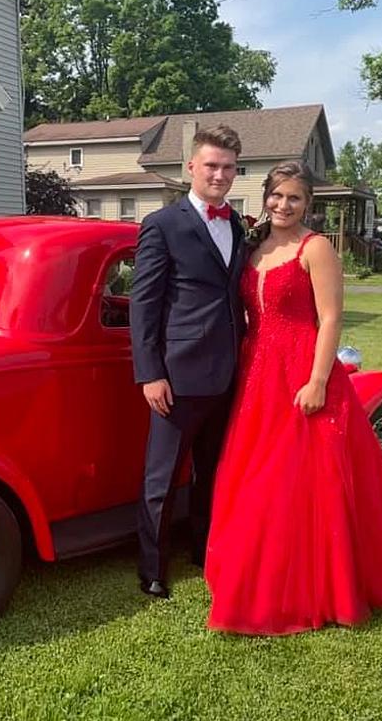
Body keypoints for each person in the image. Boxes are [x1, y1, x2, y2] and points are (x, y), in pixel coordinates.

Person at [205, 160, 382, 633]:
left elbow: (331, 318)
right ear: (265, 198)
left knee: (306, 477)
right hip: (257, 371)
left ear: (308, 204)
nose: (283, 205)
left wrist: (316, 381)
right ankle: (252, 567)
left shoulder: (316, 250)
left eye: (294, 198)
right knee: (258, 471)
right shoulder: (253, 246)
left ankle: (318, 582)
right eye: (276, 196)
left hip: (302, 366)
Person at [129, 125, 248, 599]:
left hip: (228, 372)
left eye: (228, 167)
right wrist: (150, 372)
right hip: (176, 375)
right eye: (211, 166)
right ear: (191, 169)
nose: (219, 175)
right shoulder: (163, 224)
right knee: (161, 476)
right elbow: (144, 302)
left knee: (212, 470)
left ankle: (203, 548)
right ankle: (152, 567)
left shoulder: (236, 223)